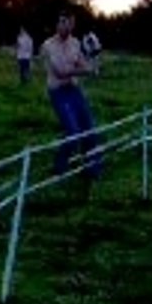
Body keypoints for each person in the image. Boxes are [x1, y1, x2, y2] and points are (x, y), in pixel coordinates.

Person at [39, 12, 103, 180]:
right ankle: (59, 167)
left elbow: (85, 65)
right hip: (58, 92)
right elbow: (60, 72)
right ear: (57, 24)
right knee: (73, 132)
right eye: (62, 22)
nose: (66, 26)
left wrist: (95, 54)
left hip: (75, 91)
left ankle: (92, 169)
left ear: (73, 25)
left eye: (69, 23)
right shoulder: (48, 45)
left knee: (90, 129)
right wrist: (87, 70)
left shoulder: (75, 43)